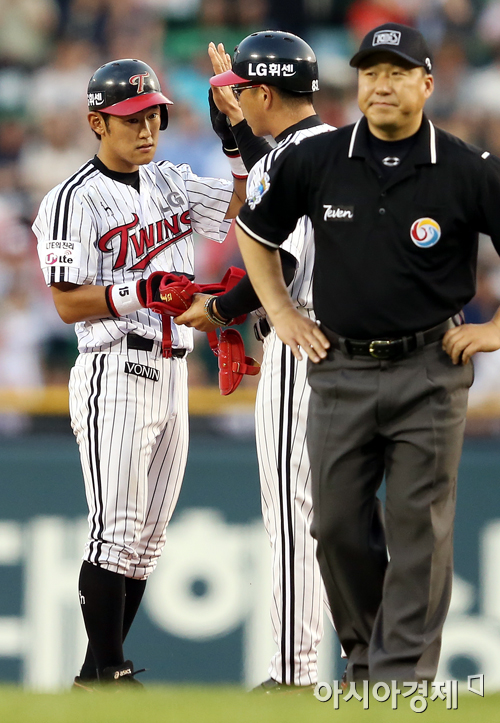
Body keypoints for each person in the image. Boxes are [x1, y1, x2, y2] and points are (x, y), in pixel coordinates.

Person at [232, 22, 500, 684]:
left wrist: (495, 330)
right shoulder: (316, 159)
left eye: (397, 72)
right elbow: (253, 232)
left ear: (427, 84)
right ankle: (363, 656)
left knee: (418, 532)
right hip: (341, 364)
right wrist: (282, 311)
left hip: (429, 368)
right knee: (337, 526)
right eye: (370, 73)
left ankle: (399, 674)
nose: (381, 84)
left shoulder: (466, 167)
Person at [32, 58, 245, 688]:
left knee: (146, 543)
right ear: (97, 121)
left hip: (176, 370)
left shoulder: (170, 181)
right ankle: (112, 672)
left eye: (153, 114)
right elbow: (68, 302)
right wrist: (138, 292)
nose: (147, 128)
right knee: (116, 532)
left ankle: (92, 681)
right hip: (115, 367)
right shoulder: (72, 198)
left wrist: (234, 139)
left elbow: (240, 202)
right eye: (131, 118)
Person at [174, 31, 334, 692]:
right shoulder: (333, 146)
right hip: (349, 346)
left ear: (265, 91)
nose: (235, 99)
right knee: (340, 517)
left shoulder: (292, 160)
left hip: (302, 343)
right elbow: (275, 174)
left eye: (244, 91)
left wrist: (219, 309)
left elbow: (284, 255)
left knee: (295, 517)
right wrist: (241, 129)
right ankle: (375, 665)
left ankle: (293, 674)